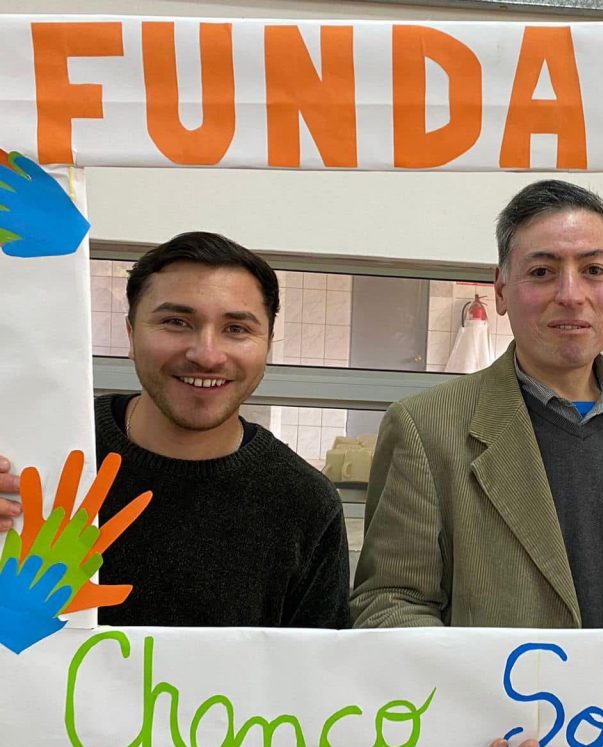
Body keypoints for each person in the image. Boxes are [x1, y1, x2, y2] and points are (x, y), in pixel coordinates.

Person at [351, 180, 603, 747]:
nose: (570, 294)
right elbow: (390, 603)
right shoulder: (427, 426)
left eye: (593, 270)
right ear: (502, 290)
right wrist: (468, 735)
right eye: (541, 272)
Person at [0, 230, 350, 629]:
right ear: (131, 335)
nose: (206, 355)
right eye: (176, 322)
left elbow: (318, 665)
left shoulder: (304, 503)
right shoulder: (36, 451)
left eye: (236, 329)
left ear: (267, 345)